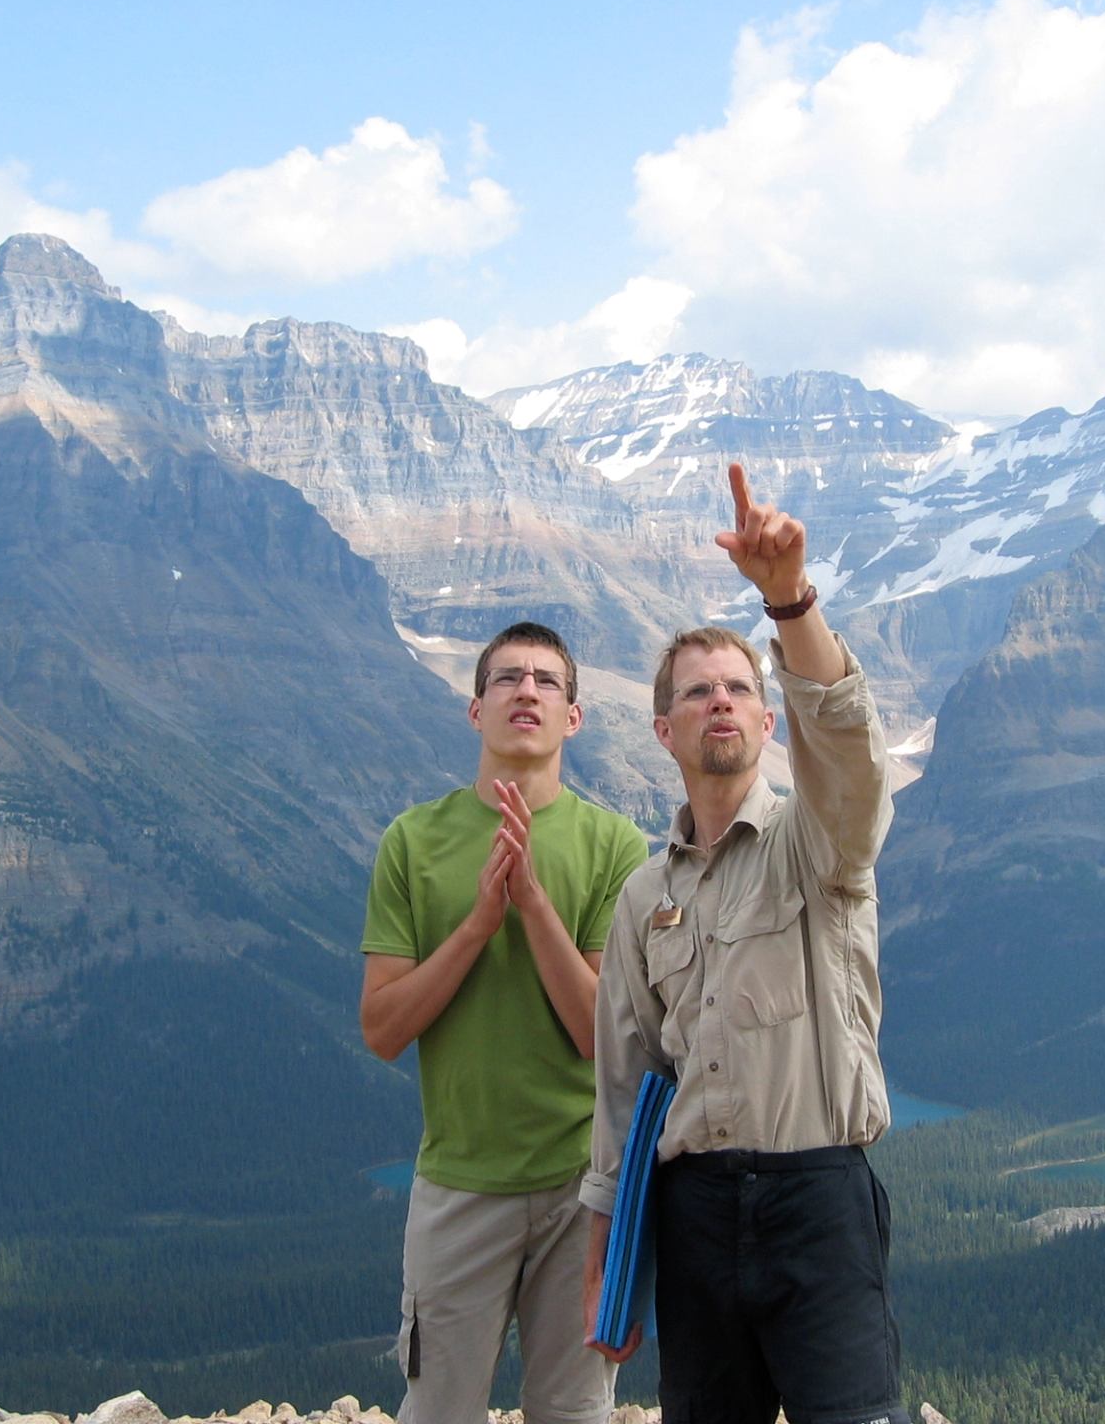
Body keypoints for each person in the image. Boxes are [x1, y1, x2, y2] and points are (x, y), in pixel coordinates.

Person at [580, 463, 910, 1424]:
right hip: (694, 1217)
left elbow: (850, 758)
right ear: (664, 729)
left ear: (769, 722)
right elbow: (626, 1081)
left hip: (821, 1201)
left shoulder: (820, 848)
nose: (719, 701)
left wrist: (789, 602)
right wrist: (610, 1250)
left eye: (738, 688)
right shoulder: (646, 896)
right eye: (697, 692)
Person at [360, 621, 648, 1424]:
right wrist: (477, 926)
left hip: (582, 1193)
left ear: (573, 717)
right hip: (458, 1187)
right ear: (474, 709)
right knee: (439, 1410)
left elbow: (602, 1039)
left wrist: (530, 904)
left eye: (547, 682)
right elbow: (382, 1029)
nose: (527, 691)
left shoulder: (615, 847)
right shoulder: (413, 844)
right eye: (508, 679)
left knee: (573, 1412)